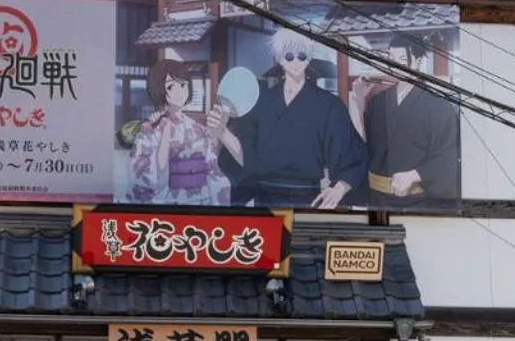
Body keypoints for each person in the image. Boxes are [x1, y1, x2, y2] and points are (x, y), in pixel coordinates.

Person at [214, 30, 366, 209]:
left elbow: (351, 155)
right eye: (289, 55)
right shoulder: (262, 103)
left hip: (307, 200)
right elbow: (249, 158)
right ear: (279, 58)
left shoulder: (329, 104)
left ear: (309, 58)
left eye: (302, 56)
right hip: (265, 200)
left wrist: (339, 189)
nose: (295, 61)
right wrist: (222, 132)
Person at [347, 31, 460, 210]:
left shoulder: (438, 104)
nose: (392, 64)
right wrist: (357, 101)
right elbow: (363, 144)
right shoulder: (379, 101)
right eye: (390, 58)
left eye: (400, 58)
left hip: (416, 202)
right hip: (377, 199)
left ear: (416, 61)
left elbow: (450, 155)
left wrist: (416, 174)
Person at [128, 60, 233, 204]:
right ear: (159, 90)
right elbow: (145, 174)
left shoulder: (197, 128)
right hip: (170, 201)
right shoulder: (150, 128)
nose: (180, 91)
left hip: (202, 199)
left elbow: (212, 165)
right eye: (171, 87)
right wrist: (165, 135)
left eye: (183, 85)